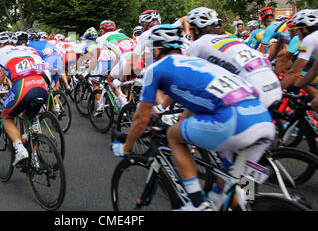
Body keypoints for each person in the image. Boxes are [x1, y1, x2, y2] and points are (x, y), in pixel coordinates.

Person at [112, 24, 276, 211]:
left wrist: (126, 148)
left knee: (174, 135)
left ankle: (198, 203)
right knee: (228, 185)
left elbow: (141, 119)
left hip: (235, 122)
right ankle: (246, 205)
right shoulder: (196, 62)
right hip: (262, 119)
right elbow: (192, 100)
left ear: (157, 50)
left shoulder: (156, 69)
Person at [0, 31, 49, 166]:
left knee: (6, 117)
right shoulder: (28, 50)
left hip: (23, 86)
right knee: (30, 118)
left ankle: (20, 148)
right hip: (42, 85)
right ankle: (34, 158)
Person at [186, 7, 282, 108]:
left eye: (190, 29)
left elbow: (184, 74)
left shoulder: (197, 44)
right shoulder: (229, 38)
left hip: (255, 95)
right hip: (275, 85)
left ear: (196, 30)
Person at [281, 9, 318, 106]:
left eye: (297, 29)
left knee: (315, 104)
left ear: (304, 29)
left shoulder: (309, 40)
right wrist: (296, 87)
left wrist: (277, 91)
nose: (296, 33)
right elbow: (314, 71)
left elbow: (294, 72)